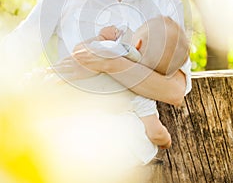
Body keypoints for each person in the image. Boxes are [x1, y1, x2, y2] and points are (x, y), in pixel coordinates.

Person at [1, 0, 192, 165]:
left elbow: (174, 91)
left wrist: (110, 64)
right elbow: (14, 54)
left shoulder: (164, 4)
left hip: (124, 134)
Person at [66, 15, 189, 150]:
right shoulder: (143, 93)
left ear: (138, 43)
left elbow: (78, 52)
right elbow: (156, 133)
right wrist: (166, 141)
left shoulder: (112, 49)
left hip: (64, 99)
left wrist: (100, 38)